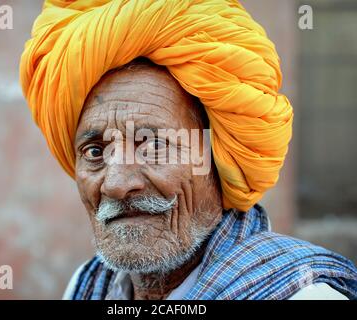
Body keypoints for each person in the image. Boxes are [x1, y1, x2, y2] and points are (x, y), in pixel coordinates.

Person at [20, 0, 357, 300]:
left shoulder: (303, 293)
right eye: (94, 151)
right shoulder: (87, 285)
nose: (116, 184)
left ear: (217, 156)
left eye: (153, 145)